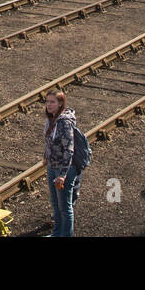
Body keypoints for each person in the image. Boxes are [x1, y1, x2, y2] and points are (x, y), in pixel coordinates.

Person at [43, 90, 82, 237]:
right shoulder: (50, 120)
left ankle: (66, 235)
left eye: (52, 102)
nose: (49, 105)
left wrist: (63, 175)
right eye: (47, 101)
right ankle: (57, 233)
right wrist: (46, 157)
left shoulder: (64, 122)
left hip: (64, 170)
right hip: (52, 167)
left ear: (60, 104)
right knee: (56, 205)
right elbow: (49, 142)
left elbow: (69, 150)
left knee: (65, 207)